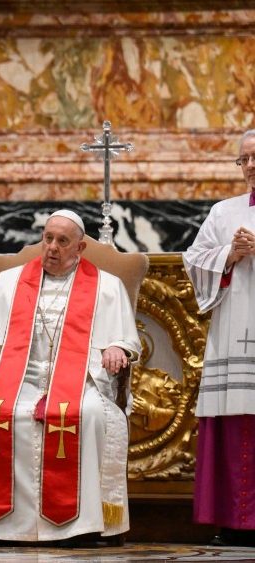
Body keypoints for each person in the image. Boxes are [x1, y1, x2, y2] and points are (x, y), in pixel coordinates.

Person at [0, 210, 141, 544]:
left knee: (88, 414)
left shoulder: (106, 287)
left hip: (80, 382)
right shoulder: (11, 282)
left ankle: (79, 525)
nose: (51, 247)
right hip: (19, 380)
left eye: (62, 241)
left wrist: (117, 349)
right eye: (47, 238)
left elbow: (122, 340)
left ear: (80, 248)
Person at [184, 129, 255, 546]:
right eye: (243, 159)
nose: (249, 167)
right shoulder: (223, 212)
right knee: (233, 419)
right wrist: (230, 255)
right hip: (233, 327)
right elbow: (194, 259)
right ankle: (233, 519)